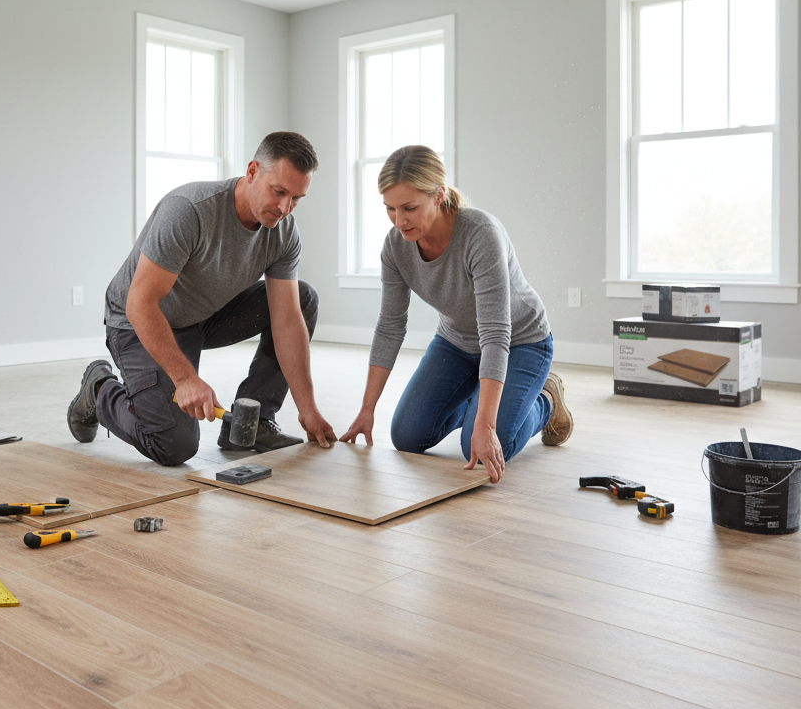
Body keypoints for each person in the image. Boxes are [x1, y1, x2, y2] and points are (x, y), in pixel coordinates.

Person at [67, 131, 336, 465]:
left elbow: (286, 320)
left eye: (296, 198)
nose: (284, 207)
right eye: (278, 191)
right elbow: (140, 303)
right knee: (173, 445)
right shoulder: (189, 211)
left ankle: (252, 423)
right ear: (252, 172)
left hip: (203, 317)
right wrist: (185, 379)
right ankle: (99, 389)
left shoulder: (283, 233)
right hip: (138, 321)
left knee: (302, 298)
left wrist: (307, 407)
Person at [340, 144, 572, 483]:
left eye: (409, 207)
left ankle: (546, 400)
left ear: (439, 195)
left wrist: (487, 425)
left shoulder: (481, 235)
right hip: (457, 343)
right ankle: (486, 401)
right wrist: (366, 410)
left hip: (521, 342)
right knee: (407, 437)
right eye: (389, 208)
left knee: (485, 448)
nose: (399, 220)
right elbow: (390, 328)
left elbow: (495, 334)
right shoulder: (395, 246)